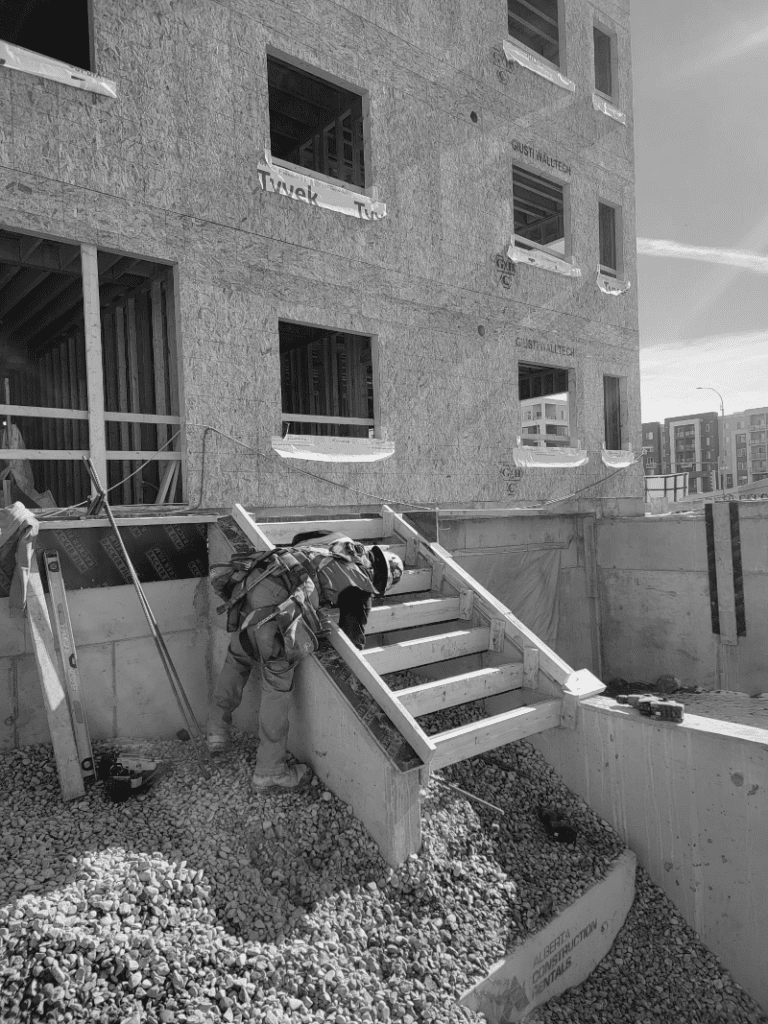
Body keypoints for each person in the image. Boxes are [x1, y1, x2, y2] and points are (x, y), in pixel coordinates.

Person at [206, 531, 403, 793]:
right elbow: (352, 643)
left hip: (256, 581)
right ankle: (269, 771)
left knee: (238, 657)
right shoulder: (360, 585)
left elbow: (301, 535)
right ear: (378, 578)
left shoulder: (338, 542)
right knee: (276, 685)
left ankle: (216, 731)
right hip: (276, 603)